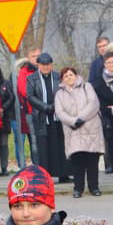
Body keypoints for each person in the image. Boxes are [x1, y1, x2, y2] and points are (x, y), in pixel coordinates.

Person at [55, 67, 105, 198]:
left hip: (91, 128)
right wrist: (73, 121)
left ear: (76, 76)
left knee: (92, 162)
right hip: (73, 131)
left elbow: (94, 104)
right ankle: (78, 188)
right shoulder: (60, 94)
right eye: (65, 76)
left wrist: (81, 118)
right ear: (62, 79)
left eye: (71, 75)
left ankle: (94, 187)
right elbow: (60, 112)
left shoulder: (87, 87)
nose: (69, 77)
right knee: (78, 162)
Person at [26, 53, 72, 182]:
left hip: (59, 116)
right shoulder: (32, 78)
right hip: (42, 117)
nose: (45, 67)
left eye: (48, 65)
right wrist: (46, 107)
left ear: (51, 65)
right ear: (38, 65)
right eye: (43, 65)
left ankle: (64, 175)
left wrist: (57, 106)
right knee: (44, 148)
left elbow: (65, 91)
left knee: (61, 146)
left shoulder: (58, 76)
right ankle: (45, 177)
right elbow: (30, 96)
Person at [92, 51, 113, 186]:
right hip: (108, 119)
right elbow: (97, 100)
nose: (111, 65)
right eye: (108, 62)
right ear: (104, 64)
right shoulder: (99, 81)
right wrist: (107, 109)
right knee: (112, 148)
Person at [18, 48, 40, 166]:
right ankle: (37, 166)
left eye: (38, 55)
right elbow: (24, 91)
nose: (36, 58)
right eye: (33, 56)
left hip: (47, 111)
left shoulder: (45, 69)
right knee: (34, 140)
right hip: (31, 111)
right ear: (28, 58)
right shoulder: (24, 72)